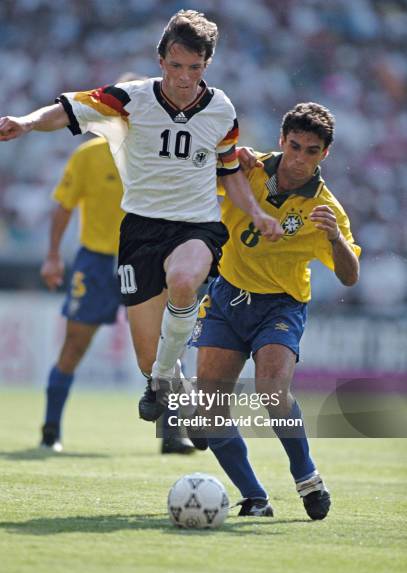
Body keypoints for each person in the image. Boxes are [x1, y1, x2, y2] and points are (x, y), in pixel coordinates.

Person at [0, 9, 283, 425]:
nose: (184, 77)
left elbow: (227, 170)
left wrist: (255, 211)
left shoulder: (221, 109)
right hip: (140, 230)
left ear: (207, 65)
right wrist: (25, 122)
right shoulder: (130, 99)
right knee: (149, 360)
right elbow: (67, 109)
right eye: (176, 65)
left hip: (196, 225)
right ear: (160, 60)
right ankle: (166, 379)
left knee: (185, 280)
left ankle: (168, 381)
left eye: (195, 67)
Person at [190, 102, 361, 519]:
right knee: (207, 408)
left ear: (325, 154)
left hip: (280, 305)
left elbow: (349, 276)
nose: (300, 159)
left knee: (271, 390)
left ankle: (307, 477)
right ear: (282, 141)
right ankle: (255, 497)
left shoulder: (326, 209)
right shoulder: (246, 167)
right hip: (227, 294)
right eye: (295, 146)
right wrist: (225, 152)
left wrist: (336, 239)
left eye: (312, 151)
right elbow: (193, 170)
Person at [40, 103, 195, 455]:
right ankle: (51, 430)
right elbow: (64, 205)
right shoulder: (89, 155)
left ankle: (172, 432)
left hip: (146, 259)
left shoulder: (161, 153)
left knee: (162, 347)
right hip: (96, 261)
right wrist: (52, 256)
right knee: (75, 344)